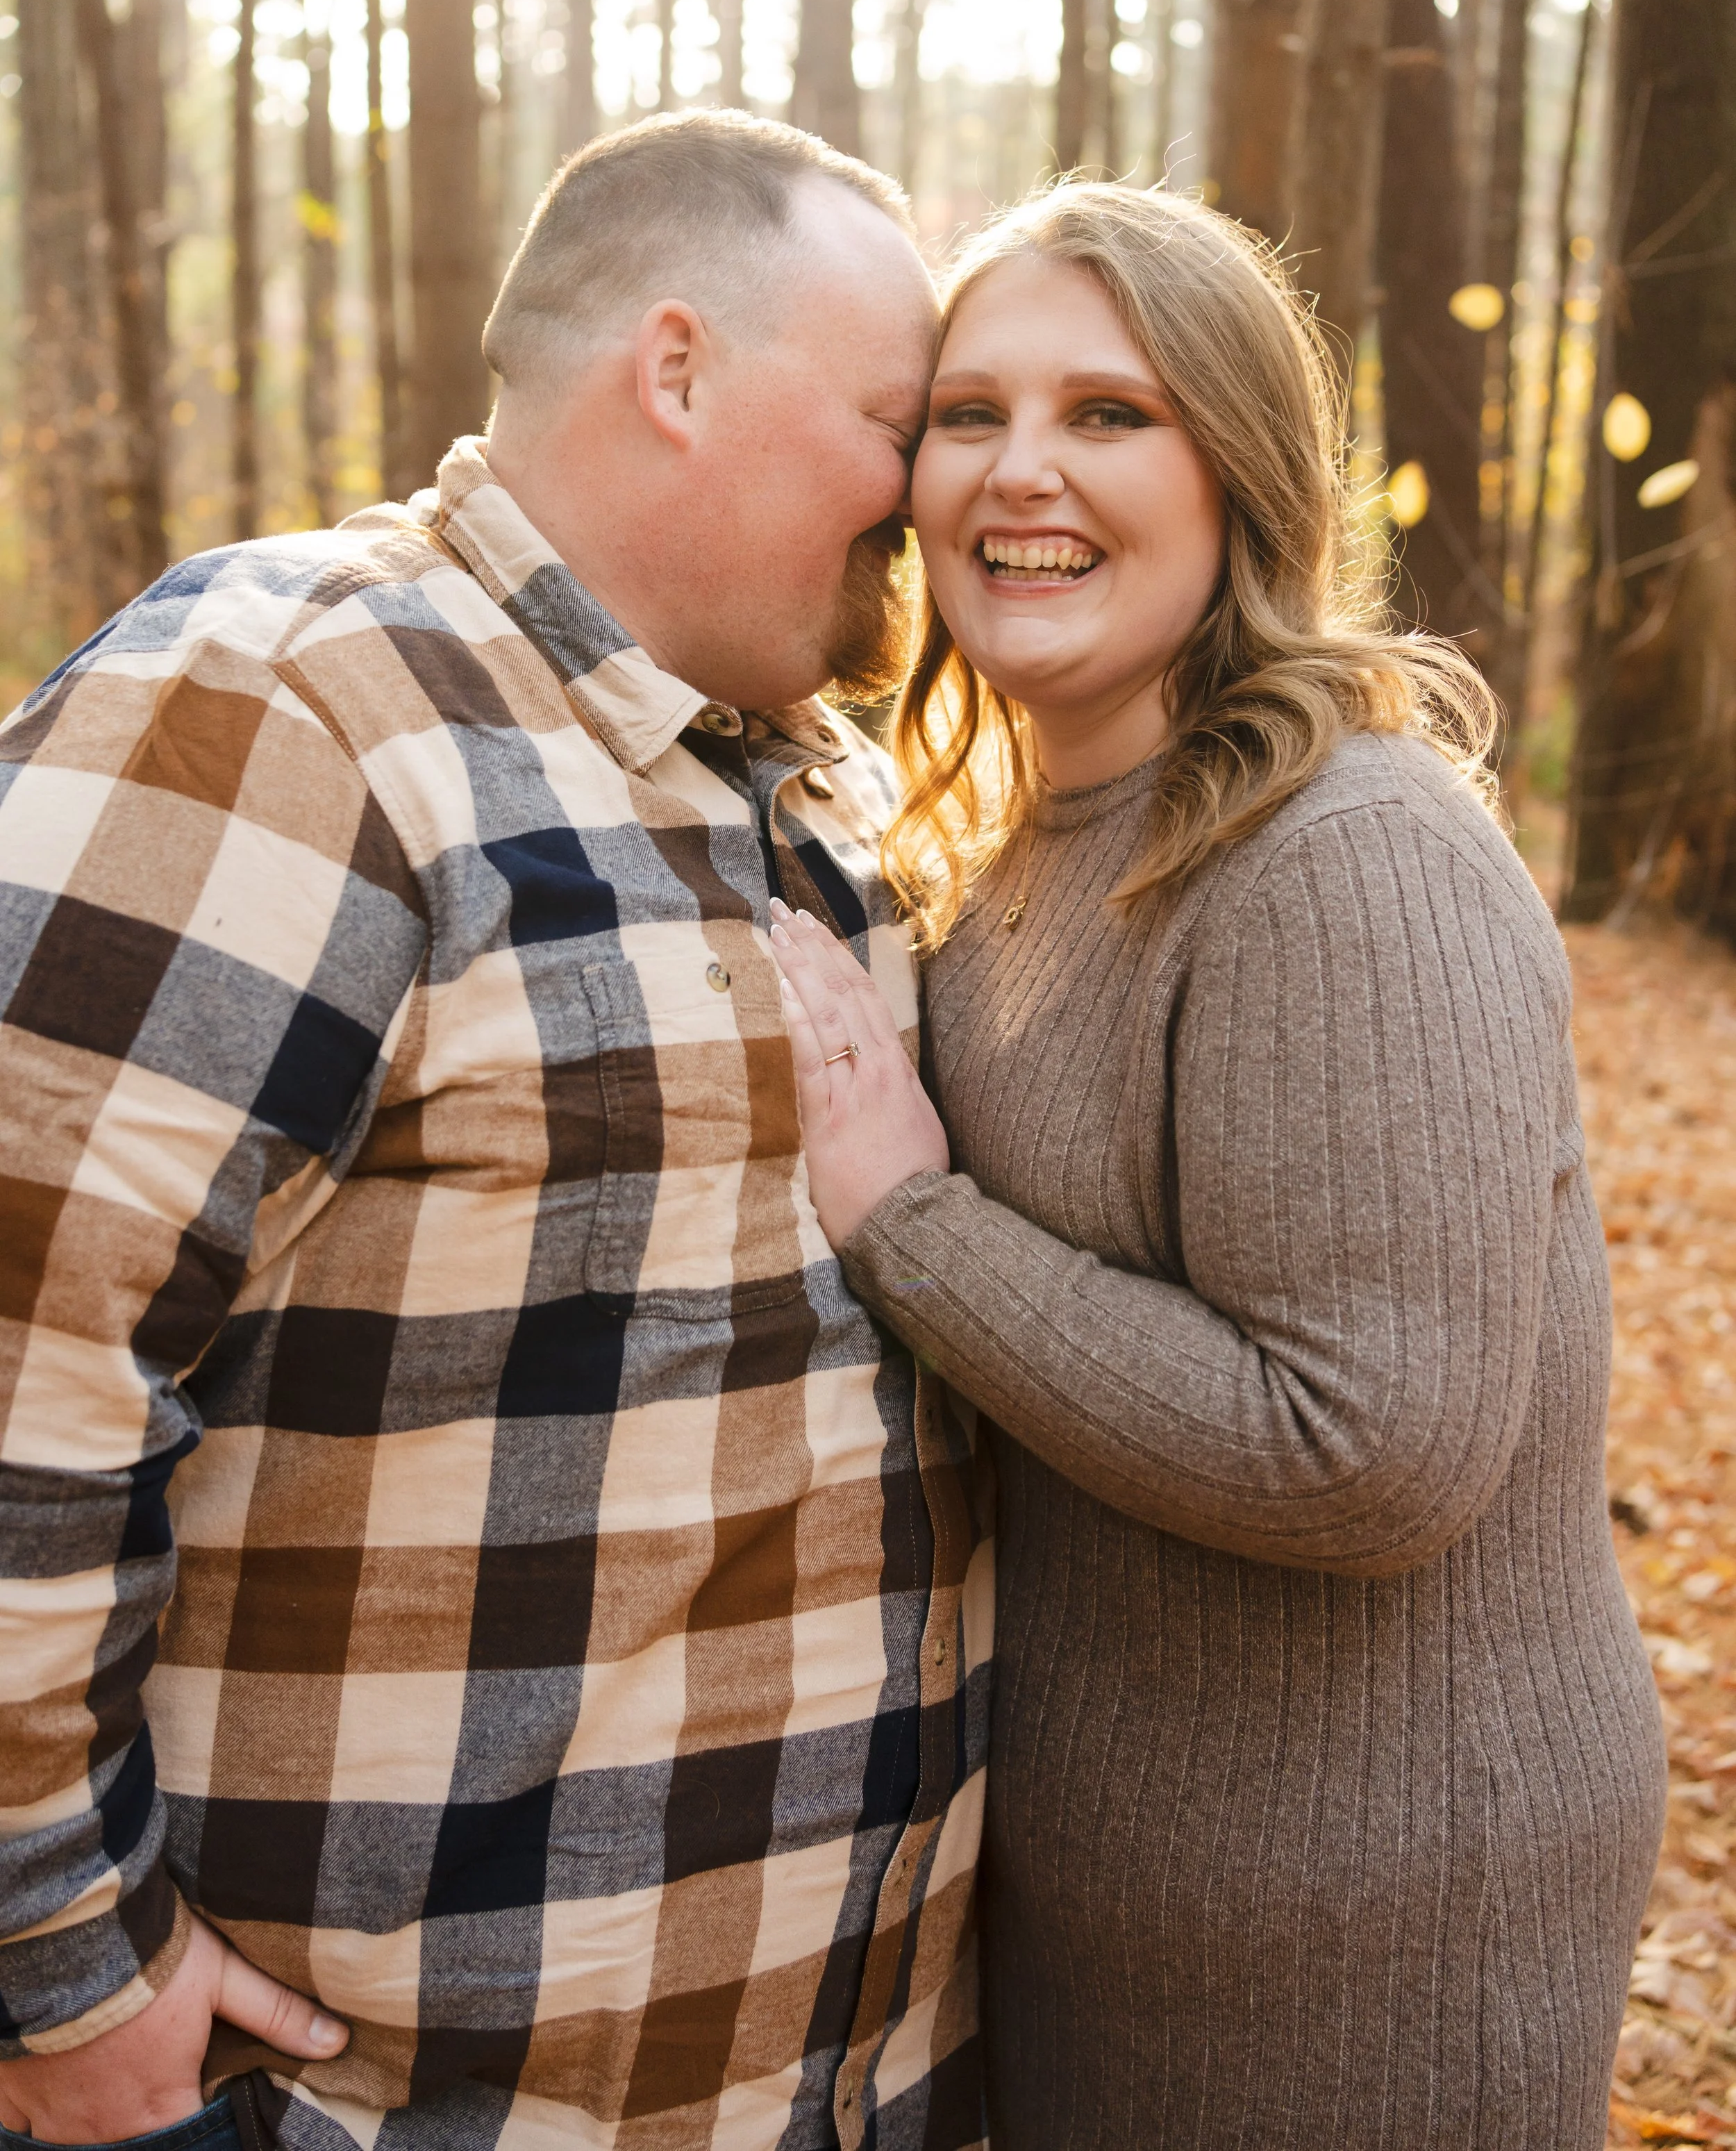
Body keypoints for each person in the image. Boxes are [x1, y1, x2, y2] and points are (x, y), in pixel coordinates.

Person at [0, 110, 992, 2151]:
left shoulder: (820, 794)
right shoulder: (285, 708)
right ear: (679, 363)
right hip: (380, 2100)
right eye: (901, 417)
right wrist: (61, 1972)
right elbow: (22, 1371)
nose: (932, 491)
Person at [771, 180, 1668, 2151]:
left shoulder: (1341, 856)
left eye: (1110, 413)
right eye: (970, 411)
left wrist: (907, 1225)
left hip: (1365, 1917)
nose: (1023, 472)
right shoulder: (1035, 848)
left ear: (1240, 468)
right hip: (1112, 1887)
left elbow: (1371, 1450)